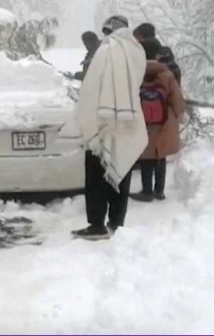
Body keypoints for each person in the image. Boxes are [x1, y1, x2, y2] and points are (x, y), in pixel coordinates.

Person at [60, 15, 148, 240]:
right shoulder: (138, 51)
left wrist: (87, 115)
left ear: (110, 30)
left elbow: (93, 87)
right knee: (122, 168)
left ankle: (97, 224)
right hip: (129, 119)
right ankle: (117, 222)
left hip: (103, 121)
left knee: (97, 174)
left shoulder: (108, 50)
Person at [131, 38, 186, 202]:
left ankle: (146, 191)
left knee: (146, 156)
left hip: (143, 121)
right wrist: (175, 115)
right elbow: (177, 100)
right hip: (164, 121)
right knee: (160, 156)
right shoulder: (166, 74)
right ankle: (159, 190)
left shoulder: (136, 72)